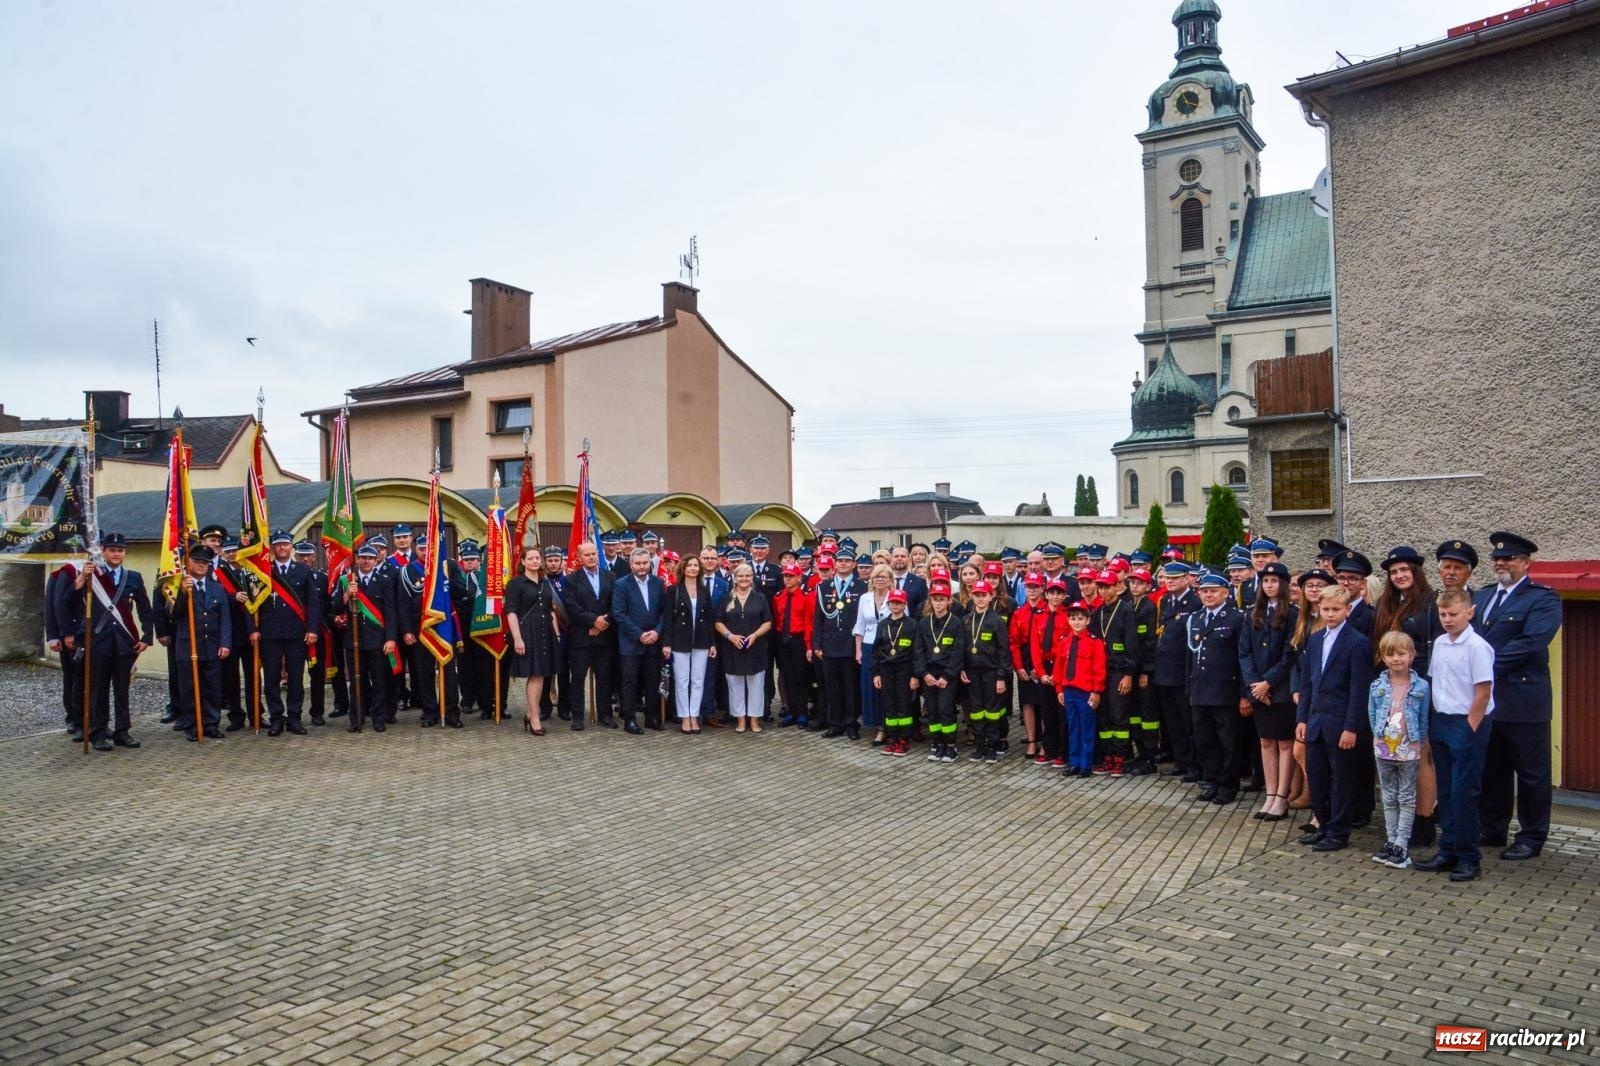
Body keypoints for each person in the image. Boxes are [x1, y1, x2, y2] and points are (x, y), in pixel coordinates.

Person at [1473, 531, 1561, 862]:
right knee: (1492, 769)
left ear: (1526, 563)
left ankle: (1532, 835)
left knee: (1531, 773)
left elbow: (1531, 642)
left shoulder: (1543, 599)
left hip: (1525, 699)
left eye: (1508, 558)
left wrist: (1481, 665)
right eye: (1497, 558)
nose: (1501, 563)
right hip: (1489, 699)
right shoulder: (1480, 598)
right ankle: (1492, 828)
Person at [1417, 588, 1496, 882]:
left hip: (1466, 723)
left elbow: (1483, 691)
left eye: (1453, 614)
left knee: (1464, 792)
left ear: (1469, 613)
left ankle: (1468, 857)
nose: (1447, 620)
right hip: (1442, 721)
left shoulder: (1477, 646)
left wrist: (1471, 726)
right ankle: (1447, 849)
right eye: (1443, 614)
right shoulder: (1439, 642)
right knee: (1446, 791)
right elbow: (1436, 681)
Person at [1295, 587, 1375, 853]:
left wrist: (1352, 727)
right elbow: (1307, 683)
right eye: (1326, 609)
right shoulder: (1315, 639)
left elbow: (1358, 689)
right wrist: (1302, 718)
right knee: (1317, 778)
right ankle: (1324, 826)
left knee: (1341, 780)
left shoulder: (1358, 642)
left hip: (1340, 723)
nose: (1330, 614)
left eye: (1336, 609)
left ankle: (1339, 832)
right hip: (1316, 721)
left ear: (1347, 610)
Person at [1373, 545, 1443, 848]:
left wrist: (1423, 686)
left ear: (1416, 572)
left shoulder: (1429, 603)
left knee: (1421, 752)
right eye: (1394, 571)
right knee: (1395, 751)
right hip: (1389, 686)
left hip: (1418, 686)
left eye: (1405, 570)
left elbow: (1435, 649)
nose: (1400, 575)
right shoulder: (1386, 602)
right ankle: (1400, 820)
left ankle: (1424, 820)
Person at [62, 532, 155, 751]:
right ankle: (98, 731)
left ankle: (122, 731)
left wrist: (147, 637)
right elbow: (68, 601)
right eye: (112, 550)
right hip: (98, 641)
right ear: (103, 551)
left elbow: (145, 608)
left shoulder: (133, 577)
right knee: (98, 689)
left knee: (122, 690)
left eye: (120, 550)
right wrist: (82, 578)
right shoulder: (93, 575)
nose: (116, 554)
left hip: (124, 643)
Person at [1238, 561, 1298, 821]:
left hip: (1280, 689)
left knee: (1284, 743)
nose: (1270, 585)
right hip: (1258, 689)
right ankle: (1270, 793)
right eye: (1266, 581)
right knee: (1265, 741)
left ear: (1283, 585)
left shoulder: (1293, 614)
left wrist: (1268, 683)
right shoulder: (1252, 613)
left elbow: (1289, 654)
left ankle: (1282, 797)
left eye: (1275, 581)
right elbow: (1244, 652)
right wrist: (1254, 683)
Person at [1368, 631, 1430, 870]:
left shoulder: (1421, 686)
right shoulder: (1377, 685)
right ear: (1383, 657)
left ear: (1412, 655)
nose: (1396, 659)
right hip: (1383, 748)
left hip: (1409, 748)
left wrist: (1420, 745)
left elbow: (1423, 720)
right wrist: (1377, 738)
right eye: (1390, 654)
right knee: (1388, 795)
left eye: (1401, 653)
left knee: (1406, 796)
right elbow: (1373, 714)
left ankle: (1402, 844)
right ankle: (1391, 840)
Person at [159, 543, 234, 742]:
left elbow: (224, 618)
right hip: (188, 645)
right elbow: (173, 615)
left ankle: (211, 724)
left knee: (212, 687)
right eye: (197, 562)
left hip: (212, 645)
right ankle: (192, 725)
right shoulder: (180, 586)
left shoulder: (217, 588)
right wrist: (183, 593)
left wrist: (225, 644)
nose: (201, 566)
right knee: (190, 688)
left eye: (205, 563)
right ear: (188, 563)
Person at [1185, 571, 1245, 804]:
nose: (1208, 595)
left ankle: (1228, 786)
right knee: (1205, 739)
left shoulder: (1236, 618)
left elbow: (1242, 658)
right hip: (1200, 691)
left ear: (1225, 593)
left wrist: (1243, 694)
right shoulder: (1196, 618)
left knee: (1228, 741)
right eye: (1204, 591)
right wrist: (1189, 689)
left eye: (1213, 591)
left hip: (1225, 691)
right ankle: (1212, 780)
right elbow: (1191, 658)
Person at [256, 530, 321, 736]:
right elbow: (254, 604)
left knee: (295, 678)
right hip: (270, 634)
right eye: (277, 544)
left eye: (285, 544)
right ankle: (276, 718)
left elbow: (313, 603)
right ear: (273, 548)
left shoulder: (303, 571)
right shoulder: (264, 571)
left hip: (296, 633)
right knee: (272, 678)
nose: (282, 548)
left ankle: (294, 718)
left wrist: (312, 629)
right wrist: (254, 630)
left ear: (291, 547)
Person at [505, 545, 565, 735]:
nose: (535, 561)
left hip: (545, 631)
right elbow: (511, 612)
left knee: (542, 674)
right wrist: (517, 639)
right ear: (522, 562)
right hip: (527, 632)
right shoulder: (516, 584)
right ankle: (535, 717)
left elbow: (550, 610)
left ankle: (531, 713)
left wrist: (556, 633)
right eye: (530, 558)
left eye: (537, 558)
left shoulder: (544, 582)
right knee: (536, 674)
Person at [1152, 561, 1202, 782]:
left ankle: (1194, 764)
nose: (1169, 582)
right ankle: (1181, 761)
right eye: (1167, 578)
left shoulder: (1195, 603)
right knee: (1173, 723)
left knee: (1188, 723)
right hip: (1164, 672)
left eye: (1174, 578)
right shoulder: (1165, 601)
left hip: (1183, 673)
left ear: (1186, 579)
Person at [561, 541, 617, 730]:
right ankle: (577, 717)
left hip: (605, 636)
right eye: (587, 554)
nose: (592, 557)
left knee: (604, 677)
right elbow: (572, 607)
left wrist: (603, 623)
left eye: (594, 553)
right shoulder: (570, 580)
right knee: (577, 678)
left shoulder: (610, 576)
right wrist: (594, 621)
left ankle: (605, 715)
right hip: (581, 637)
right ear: (579, 557)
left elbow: (615, 604)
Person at [612, 547, 666, 734]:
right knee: (630, 682)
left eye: (645, 563)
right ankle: (630, 719)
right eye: (638, 563)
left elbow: (663, 612)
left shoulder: (658, 583)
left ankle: (651, 717)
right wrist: (639, 634)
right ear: (631, 564)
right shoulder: (621, 584)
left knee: (653, 680)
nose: (642, 567)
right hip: (631, 643)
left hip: (654, 641)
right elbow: (619, 614)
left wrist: (657, 632)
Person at [1052, 599, 1106, 779]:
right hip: (1069, 691)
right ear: (1068, 620)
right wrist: (1059, 689)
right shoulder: (1064, 642)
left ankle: (1086, 764)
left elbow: (1099, 668)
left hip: (1086, 692)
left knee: (1087, 728)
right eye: (1073, 618)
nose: (1076, 622)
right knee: (1072, 727)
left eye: (1080, 618)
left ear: (1088, 621)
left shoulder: (1094, 642)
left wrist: (1096, 691)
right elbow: (1058, 667)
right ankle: (1074, 762)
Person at [663, 553, 716, 734]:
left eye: (695, 565)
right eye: (689, 565)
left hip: (701, 640)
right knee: (682, 680)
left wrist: (713, 643)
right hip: (679, 641)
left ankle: (694, 715)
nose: (693, 568)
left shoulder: (704, 590)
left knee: (698, 680)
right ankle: (684, 716)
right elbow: (668, 619)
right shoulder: (674, 590)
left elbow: (709, 619)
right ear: (683, 568)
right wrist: (667, 643)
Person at [813, 550, 863, 739]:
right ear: (835, 564)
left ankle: (851, 723)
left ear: (853, 564)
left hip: (850, 645)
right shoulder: (824, 587)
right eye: (840, 560)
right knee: (831, 687)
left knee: (850, 687)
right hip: (830, 645)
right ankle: (835, 724)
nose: (843, 564)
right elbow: (818, 619)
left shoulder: (861, 587)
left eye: (847, 561)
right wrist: (817, 643)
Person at [716, 563, 772, 730]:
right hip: (732, 648)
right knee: (735, 684)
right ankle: (740, 719)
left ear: (752, 578)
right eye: (740, 576)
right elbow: (718, 621)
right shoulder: (726, 598)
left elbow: (768, 621)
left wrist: (755, 635)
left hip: (755, 648)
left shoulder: (760, 598)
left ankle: (754, 719)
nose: (744, 579)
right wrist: (730, 636)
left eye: (747, 575)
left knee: (756, 684)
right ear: (735, 578)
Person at [960, 579, 1010, 763]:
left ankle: (992, 747)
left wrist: (1001, 677)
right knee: (976, 711)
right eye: (977, 595)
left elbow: (1004, 651)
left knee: (992, 711)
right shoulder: (965, 621)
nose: (980, 599)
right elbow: (962, 649)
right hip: (972, 673)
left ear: (991, 597)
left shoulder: (997, 621)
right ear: (972, 596)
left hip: (991, 672)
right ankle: (980, 746)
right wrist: (962, 669)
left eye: (984, 595)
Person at [915, 580, 964, 763]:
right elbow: (918, 651)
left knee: (945, 709)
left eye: (942, 599)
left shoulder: (956, 623)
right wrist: (924, 674)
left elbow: (958, 652)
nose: (938, 603)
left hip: (947, 674)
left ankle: (950, 745)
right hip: (929, 674)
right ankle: (937, 743)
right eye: (935, 599)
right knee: (933, 711)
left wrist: (948, 676)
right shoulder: (924, 623)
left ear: (948, 601)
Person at [872, 588, 918, 756]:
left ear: (905, 604)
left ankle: (904, 739)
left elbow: (916, 652)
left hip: (905, 669)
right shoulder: (883, 624)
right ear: (888, 604)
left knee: (904, 704)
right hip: (886, 669)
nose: (895, 605)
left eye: (899, 602)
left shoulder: (912, 625)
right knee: (889, 704)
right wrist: (876, 673)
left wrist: (914, 675)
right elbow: (876, 651)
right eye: (892, 602)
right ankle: (893, 738)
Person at [43, 560, 84, 740]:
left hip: (94, 633)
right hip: (70, 634)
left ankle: (92, 717)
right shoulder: (65, 572)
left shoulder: (101, 570)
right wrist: (56, 635)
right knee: (73, 678)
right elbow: (54, 604)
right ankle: (74, 718)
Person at [853, 564, 893, 745]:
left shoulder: (896, 597)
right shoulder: (865, 598)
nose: (880, 580)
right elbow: (859, 625)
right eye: (877, 576)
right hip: (869, 646)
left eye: (884, 576)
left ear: (890, 580)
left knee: (887, 687)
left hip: (889, 647)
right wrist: (858, 650)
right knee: (871, 687)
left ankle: (888, 726)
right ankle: (878, 726)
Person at [1009, 572, 1048, 760]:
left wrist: (1039, 668)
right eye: (1029, 586)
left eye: (1035, 586)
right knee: (1027, 702)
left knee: (1044, 703)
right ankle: (1032, 741)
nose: (1032, 590)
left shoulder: (1049, 610)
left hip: (1043, 659)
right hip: (1024, 660)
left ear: (1042, 588)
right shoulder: (1019, 613)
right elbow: (1014, 643)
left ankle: (1046, 742)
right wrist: (1019, 667)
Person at [771, 562, 815, 727]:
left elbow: (808, 622)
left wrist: (808, 645)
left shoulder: (806, 597)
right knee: (787, 676)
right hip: (783, 640)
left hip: (799, 640)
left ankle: (802, 712)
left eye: (791, 576)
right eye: (785, 576)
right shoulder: (778, 597)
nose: (787, 579)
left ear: (799, 577)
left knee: (800, 678)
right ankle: (792, 711)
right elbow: (778, 619)